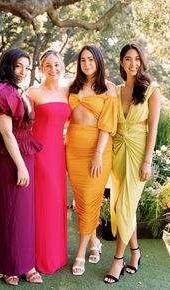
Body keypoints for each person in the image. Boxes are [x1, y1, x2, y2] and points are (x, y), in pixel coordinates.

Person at [0, 48, 43, 286]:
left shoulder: (18, 90)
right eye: (18, 66)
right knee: (10, 212)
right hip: (12, 158)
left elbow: (9, 125)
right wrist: (21, 167)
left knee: (25, 213)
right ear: (8, 66)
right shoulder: (2, 91)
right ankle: (9, 266)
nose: (23, 71)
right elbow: (6, 132)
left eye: (27, 66)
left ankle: (27, 265)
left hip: (26, 152)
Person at [104, 43, 161, 284]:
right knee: (121, 203)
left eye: (137, 59)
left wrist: (147, 160)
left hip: (138, 153)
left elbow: (153, 129)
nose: (133, 63)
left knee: (123, 207)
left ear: (142, 61)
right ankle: (135, 252)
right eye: (128, 59)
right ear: (121, 62)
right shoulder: (115, 91)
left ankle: (118, 259)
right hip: (118, 149)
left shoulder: (151, 90)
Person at [65, 44, 118, 276]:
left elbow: (108, 124)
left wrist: (98, 153)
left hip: (98, 150)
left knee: (89, 198)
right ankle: (95, 242)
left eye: (91, 60)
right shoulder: (72, 87)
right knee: (82, 201)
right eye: (83, 60)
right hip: (73, 149)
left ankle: (80, 253)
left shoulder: (108, 88)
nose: (87, 64)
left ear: (98, 61)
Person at [26, 50, 71, 274]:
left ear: (62, 66)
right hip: (39, 154)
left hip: (59, 154)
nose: (53, 70)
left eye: (57, 65)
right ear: (41, 68)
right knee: (42, 202)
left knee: (56, 202)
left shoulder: (68, 91)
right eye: (48, 65)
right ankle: (37, 255)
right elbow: (20, 120)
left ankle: (56, 254)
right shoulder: (33, 92)